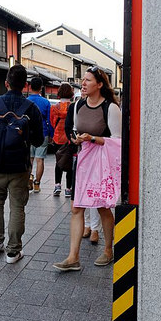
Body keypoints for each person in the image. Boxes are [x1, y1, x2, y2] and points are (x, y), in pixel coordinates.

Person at [53, 66, 121, 271]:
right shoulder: (77, 105)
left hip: (100, 163)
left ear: (100, 85)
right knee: (76, 208)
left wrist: (92, 138)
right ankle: (73, 257)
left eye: (88, 80)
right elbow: (71, 131)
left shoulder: (110, 107)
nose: (83, 83)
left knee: (102, 207)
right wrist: (76, 139)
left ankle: (108, 250)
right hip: (81, 161)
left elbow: (118, 141)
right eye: (83, 80)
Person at [0, 64, 43, 263]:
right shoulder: (31, 108)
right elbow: (39, 140)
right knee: (17, 207)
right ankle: (13, 251)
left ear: (6, 83)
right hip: (19, 167)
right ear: (25, 86)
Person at [27, 77, 53, 192]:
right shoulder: (46, 102)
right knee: (40, 160)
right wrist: (51, 135)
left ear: (29, 87)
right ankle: (37, 184)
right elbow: (49, 121)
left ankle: (28, 180)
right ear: (41, 88)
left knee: (29, 159)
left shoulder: (26, 101)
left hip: (28, 134)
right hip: (43, 133)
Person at [50, 82, 74, 197]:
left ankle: (57, 185)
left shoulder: (54, 108)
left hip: (57, 138)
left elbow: (52, 122)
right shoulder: (73, 107)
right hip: (69, 139)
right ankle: (68, 189)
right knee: (69, 163)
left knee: (58, 161)